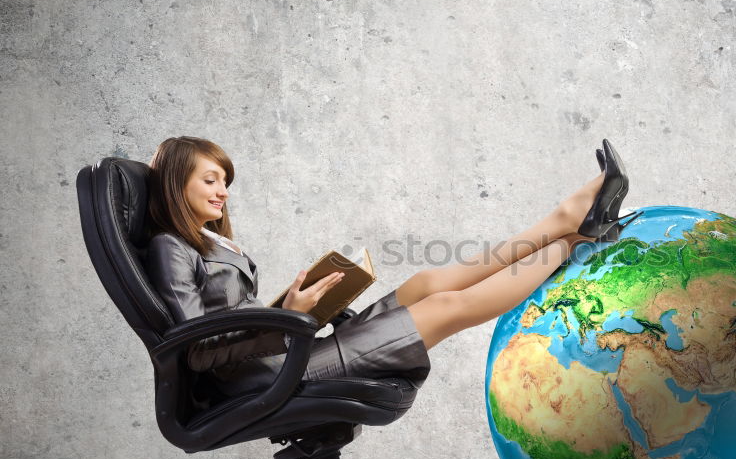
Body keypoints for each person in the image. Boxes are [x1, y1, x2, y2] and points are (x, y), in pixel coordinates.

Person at [142, 136, 638, 394]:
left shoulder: (210, 243)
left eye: (223, 180)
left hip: (285, 350)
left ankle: (568, 223)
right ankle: (576, 241)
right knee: (442, 307)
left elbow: (233, 318)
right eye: (209, 180)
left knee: (424, 282)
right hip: (270, 375)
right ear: (175, 184)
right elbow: (195, 350)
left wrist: (313, 308)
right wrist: (290, 317)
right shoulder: (171, 247)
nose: (222, 191)